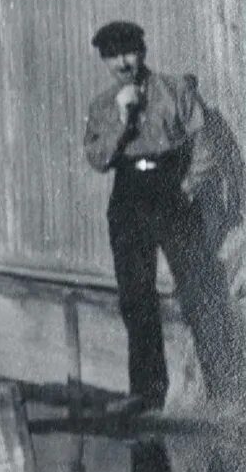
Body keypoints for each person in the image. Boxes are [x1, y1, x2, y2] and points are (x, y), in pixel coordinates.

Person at [83, 20, 243, 415]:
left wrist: (186, 187)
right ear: (105, 60)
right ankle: (146, 392)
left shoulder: (175, 90)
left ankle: (229, 395)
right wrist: (122, 121)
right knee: (135, 295)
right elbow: (99, 159)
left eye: (130, 52)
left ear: (143, 52)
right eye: (113, 56)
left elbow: (206, 144)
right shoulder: (103, 106)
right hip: (128, 197)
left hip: (172, 191)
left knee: (200, 292)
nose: (123, 62)